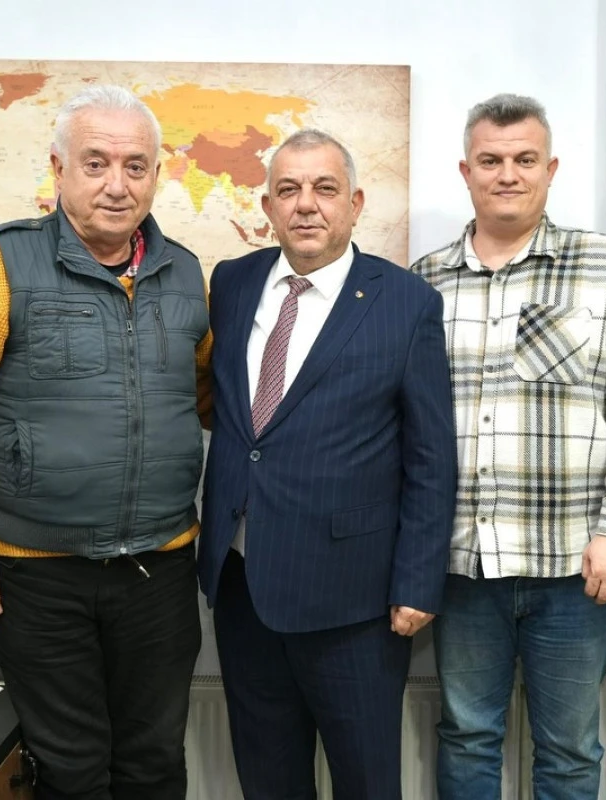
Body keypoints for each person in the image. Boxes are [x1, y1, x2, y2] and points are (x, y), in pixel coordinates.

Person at [0, 84, 211, 800]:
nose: (117, 185)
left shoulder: (184, 274)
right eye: (96, 163)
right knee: (71, 772)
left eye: (135, 166)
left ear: (157, 174)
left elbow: (202, 398)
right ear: (59, 168)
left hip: (160, 570)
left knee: (155, 763)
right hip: (37, 578)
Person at [410, 93, 606, 800]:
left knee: (570, 748)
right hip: (462, 564)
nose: (508, 174)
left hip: (574, 565)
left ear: (550, 169)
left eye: (525, 159)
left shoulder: (603, 264)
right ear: (466, 171)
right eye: (491, 160)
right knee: (466, 735)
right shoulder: (423, 281)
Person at [197, 128, 456, 800]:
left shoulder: (406, 303)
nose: (305, 204)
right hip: (244, 587)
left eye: (324, 188)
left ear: (355, 203)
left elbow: (431, 457)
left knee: (366, 781)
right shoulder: (233, 283)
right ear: (268, 206)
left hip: (354, 601)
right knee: (268, 780)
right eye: (288, 189)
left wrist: (418, 582)